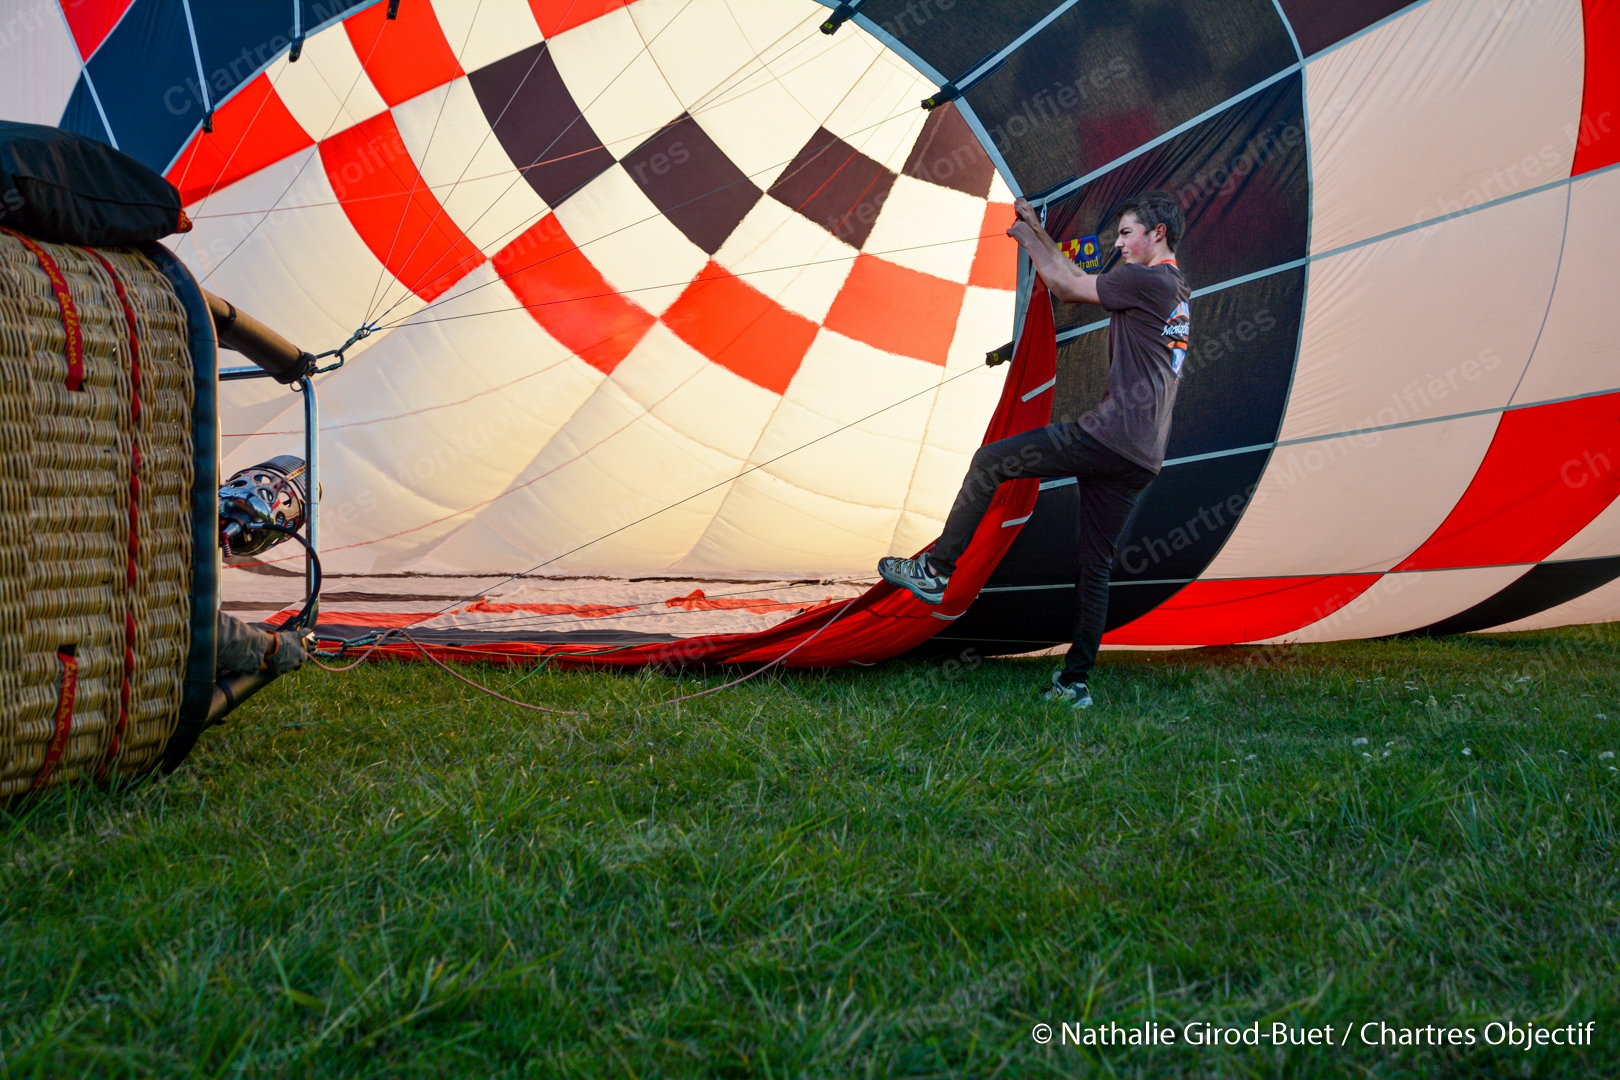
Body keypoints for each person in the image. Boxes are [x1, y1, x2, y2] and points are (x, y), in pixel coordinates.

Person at [879, 190, 1190, 707]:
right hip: (1143, 455)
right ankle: (1075, 684)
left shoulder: (1145, 277)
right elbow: (1071, 278)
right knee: (1095, 566)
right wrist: (1035, 230)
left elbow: (1067, 286)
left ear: (1158, 233)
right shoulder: (1177, 288)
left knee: (992, 462)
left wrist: (1029, 235)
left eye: (1127, 233)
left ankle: (935, 572)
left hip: (1110, 436)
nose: (1120, 244)